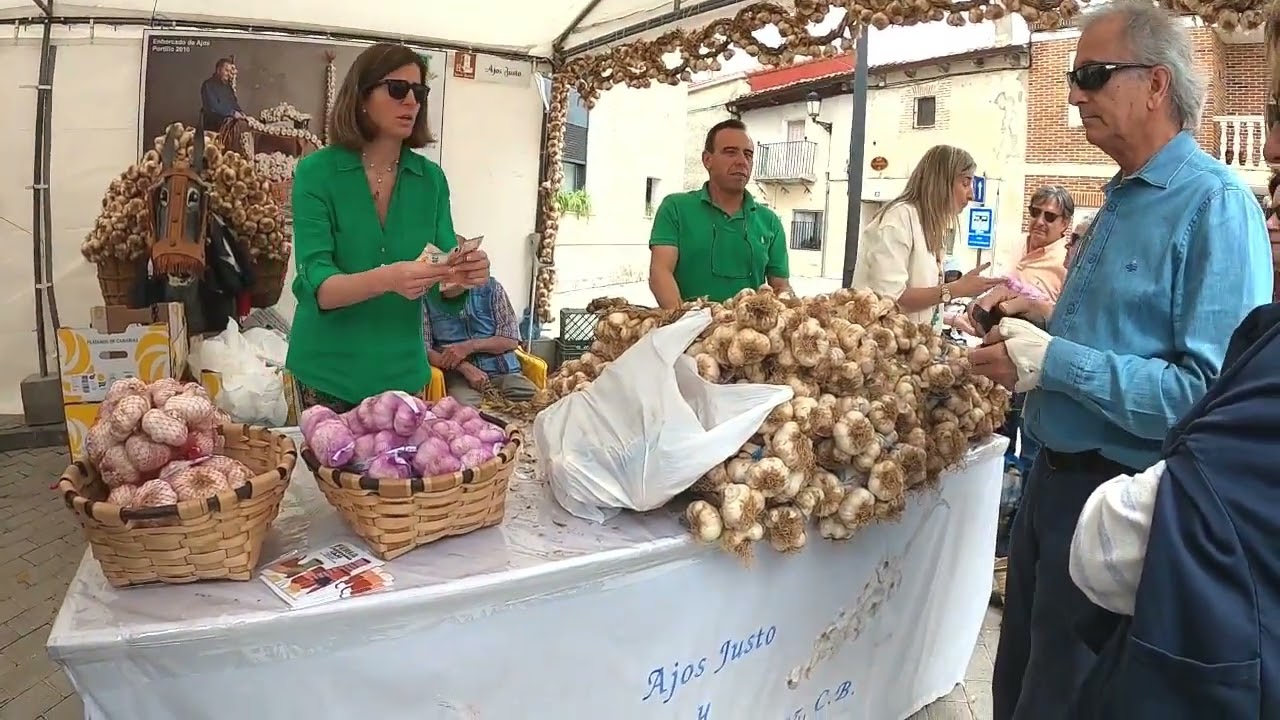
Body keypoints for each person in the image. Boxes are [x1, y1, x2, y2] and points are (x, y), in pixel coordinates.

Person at [967, 3, 1272, 718]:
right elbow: (1121, 338)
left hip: (1119, 500)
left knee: (1070, 701)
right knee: (1021, 690)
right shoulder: (1120, 199)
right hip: (1052, 486)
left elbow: (1204, 399)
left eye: (1091, 76)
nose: (1074, 94)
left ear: (1156, 86)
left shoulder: (1216, 207)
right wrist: (1036, 324)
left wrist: (1054, 363)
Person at [285, 43, 490, 412]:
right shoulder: (316, 173)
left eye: (419, 92)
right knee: (328, 471)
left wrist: (464, 272)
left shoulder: (431, 180)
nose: (411, 101)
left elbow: (443, 271)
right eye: (398, 89)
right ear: (361, 96)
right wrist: (390, 278)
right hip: (326, 373)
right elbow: (319, 285)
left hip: (403, 376)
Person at [851, 144, 1003, 325]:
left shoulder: (928, 224)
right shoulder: (898, 219)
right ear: (941, 182)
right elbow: (890, 300)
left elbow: (919, 303)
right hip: (884, 346)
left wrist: (950, 319)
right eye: (965, 183)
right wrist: (955, 290)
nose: (971, 194)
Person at [648, 119, 792, 307]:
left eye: (748, 154)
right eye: (730, 152)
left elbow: (780, 286)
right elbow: (660, 273)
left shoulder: (769, 221)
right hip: (688, 331)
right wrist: (686, 326)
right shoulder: (675, 208)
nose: (742, 161)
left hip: (748, 333)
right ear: (707, 160)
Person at [424, 269, 536, 408]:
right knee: (466, 415)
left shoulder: (492, 288)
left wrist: (469, 347)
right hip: (460, 379)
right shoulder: (426, 298)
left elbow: (510, 339)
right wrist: (463, 367)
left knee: (538, 405)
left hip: (505, 372)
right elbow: (425, 350)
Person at [200, 58, 245, 131]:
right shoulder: (208, 85)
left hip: (229, 125)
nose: (229, 74)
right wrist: (233, 113)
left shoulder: (228, 87)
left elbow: (233, 103)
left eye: (230, 71)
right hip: (214, 125)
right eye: (226, 71)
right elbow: (213, 107)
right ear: (218, 70)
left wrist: (241, 112)